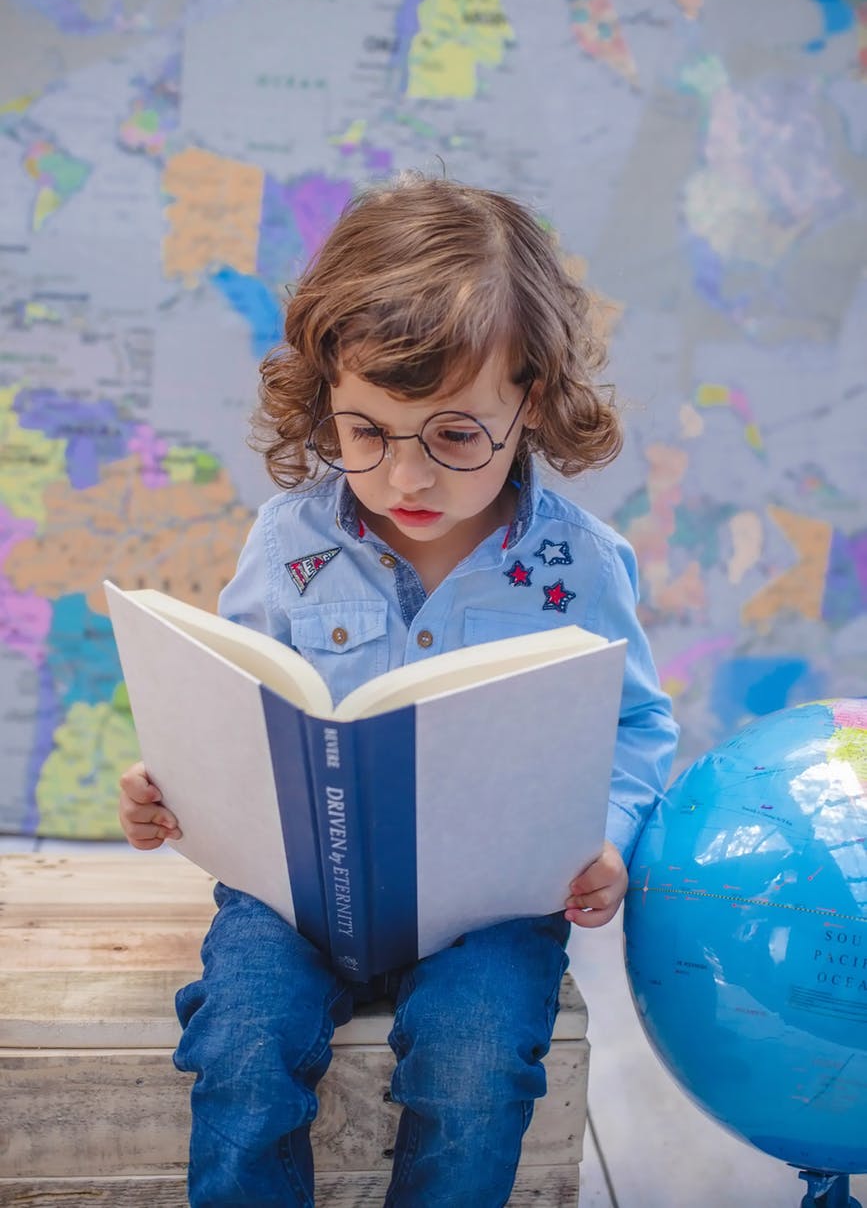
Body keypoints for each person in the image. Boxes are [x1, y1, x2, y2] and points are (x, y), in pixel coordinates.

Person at [118, 174, 679, 1207]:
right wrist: (172, 781)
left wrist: (610, 833)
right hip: (295, 897)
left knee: (476, 1068)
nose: (405, 478)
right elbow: (230, 696)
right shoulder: (291, 538)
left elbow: (638, 724)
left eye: (456, 436)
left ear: (535, 400)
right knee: (239, 1046)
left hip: (489, 907)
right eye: (366, 431)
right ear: (323, 395)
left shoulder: (580, 565)